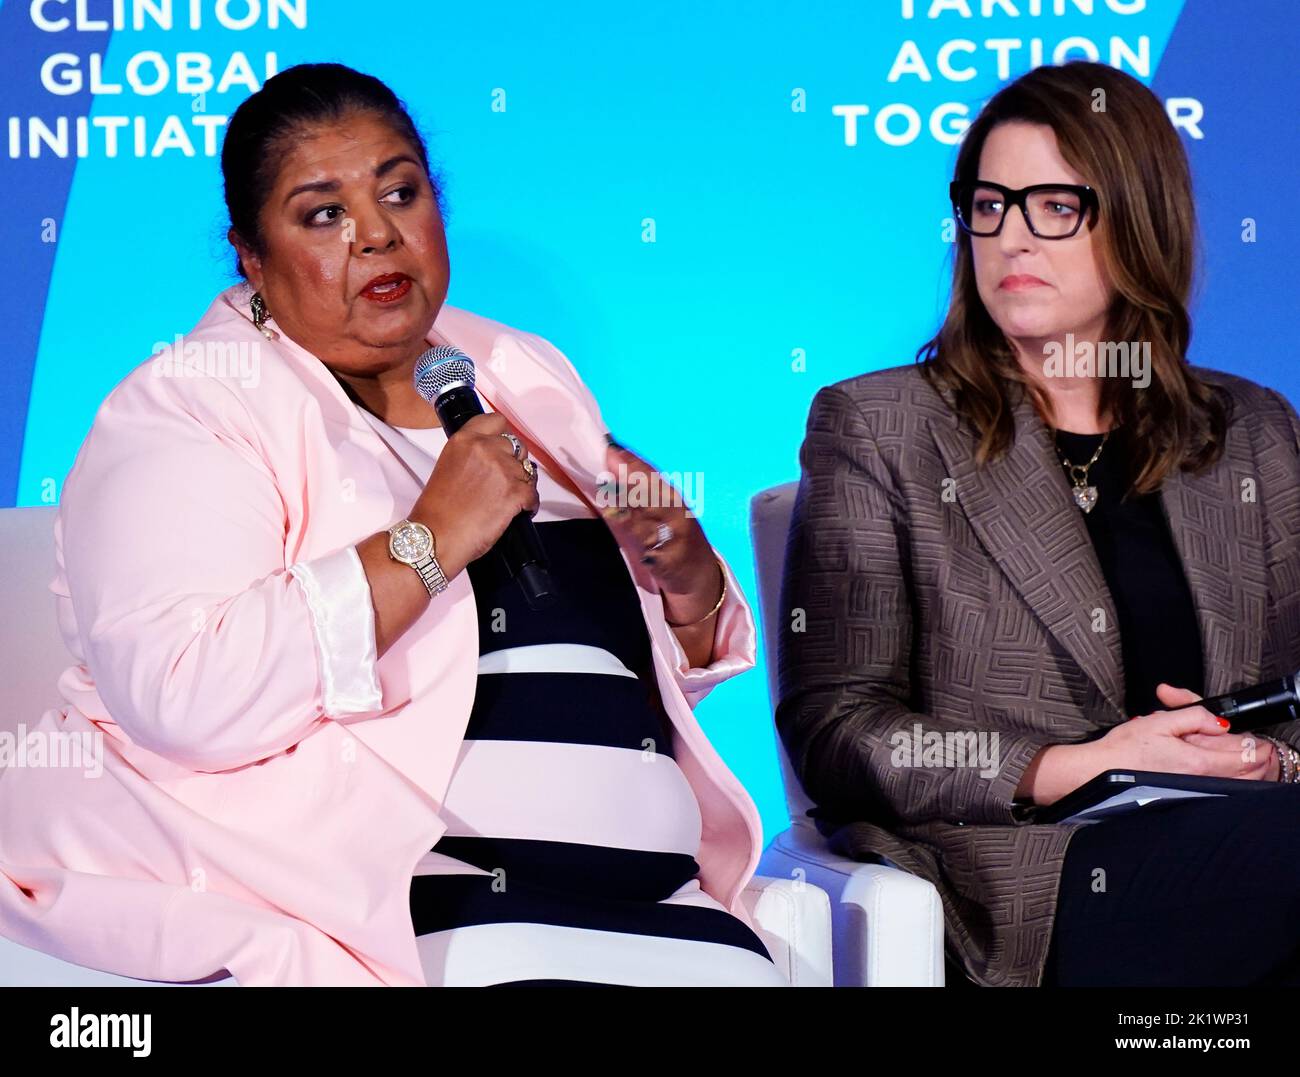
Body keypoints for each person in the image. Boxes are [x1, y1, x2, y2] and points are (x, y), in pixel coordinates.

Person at [0, 62, 787, 987]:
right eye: (323, 213)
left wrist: (688, 594)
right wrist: (429, 542)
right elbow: (183, 692)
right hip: (405, 903)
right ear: (251, 255)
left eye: (400, 193)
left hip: (658, 902)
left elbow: (570, 684)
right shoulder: (190, 405)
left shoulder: (515, 371)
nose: (377, 234)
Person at [776, 60, 1300, 988]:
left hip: (1252, 840)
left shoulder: (1251, 432)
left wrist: (1267, 759)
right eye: (990, 204)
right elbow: (840, 728)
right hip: (1035, 883)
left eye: (1054, 206)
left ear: (1138, 218)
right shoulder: (884, 427)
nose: (1011, 235)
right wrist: (1078, 763)